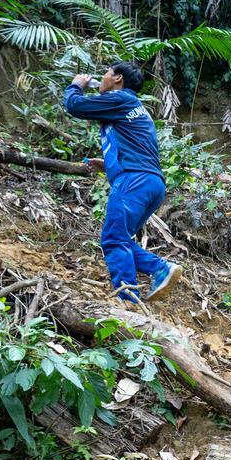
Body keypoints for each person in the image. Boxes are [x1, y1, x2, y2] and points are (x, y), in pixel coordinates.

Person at [64, 62, 181, 304]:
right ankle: (160, 269)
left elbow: (74, 105)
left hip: (133, 181)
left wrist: (76, 85)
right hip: (151, 183)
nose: (102, 78)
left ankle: (127, 299)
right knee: (120, 238)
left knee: (113, 239)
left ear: (117, 79)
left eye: (106, 72)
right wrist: (107, 164)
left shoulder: (119, 98)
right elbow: (138, 149)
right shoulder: (133, 107)